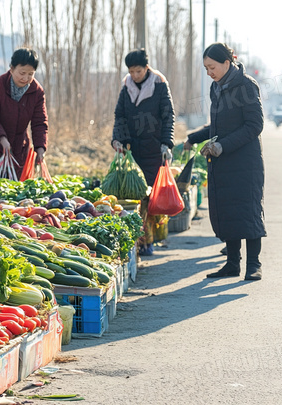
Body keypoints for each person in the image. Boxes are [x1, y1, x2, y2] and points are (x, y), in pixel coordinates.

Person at [185, 42, 266, 280]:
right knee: (228, 211)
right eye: (206, 68)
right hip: (222, 161)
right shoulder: (216, 88)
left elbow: (254, 125)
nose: (209, 72)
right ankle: (232, 264)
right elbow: (218, 126)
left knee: (248, 211)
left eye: (212, 67)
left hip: (245, 161)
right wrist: (195, 138)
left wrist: (222, 145)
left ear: (227, 63)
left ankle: (254, 264)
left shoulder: (246, 86)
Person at [111, 48, 176, 256]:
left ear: (146, 68)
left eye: (138, 71)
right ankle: (139, 241)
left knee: (150, 198)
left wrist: (167, 143)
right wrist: (117, 139)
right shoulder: (126, 87)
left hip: (154, 149)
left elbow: (168, 116)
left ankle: (149, 241)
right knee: (135, 196)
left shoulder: (159, 85)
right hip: (133, 150)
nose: (134, 75)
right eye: (131, 71)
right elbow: (119, 115)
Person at [0, 48, 48, 177]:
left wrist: (40, 147)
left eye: (31, 74)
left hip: (19, 150)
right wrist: (2, 139)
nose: (26, 78)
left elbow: (39, 122)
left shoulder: (37, 92)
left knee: (15, 191)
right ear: (11, 69)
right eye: (22, 73)